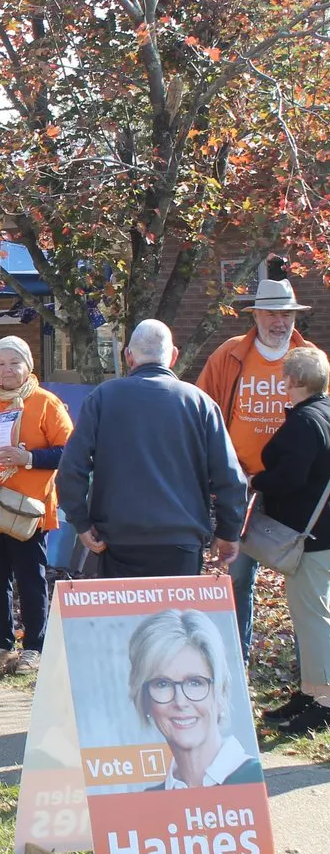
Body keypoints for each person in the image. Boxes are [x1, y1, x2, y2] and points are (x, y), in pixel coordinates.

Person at [58, 320, 246, 579]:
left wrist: (80, 521)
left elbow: (71, 467)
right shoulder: (200, 403)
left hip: (117, 538)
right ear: (173, 356)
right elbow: (230, 477)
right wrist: (228, 531)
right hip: (181, 539)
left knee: (124, 619)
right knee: (173, 619)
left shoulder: (103, 398)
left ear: (128, 356)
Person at [197, 278, 316, 660]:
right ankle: (237, 662)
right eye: (270, 313)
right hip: (242, 486)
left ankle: (312, 678)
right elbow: (204, 415)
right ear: (256, 316)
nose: (279, 322)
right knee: (236, 576)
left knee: (305, 584)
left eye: (286, 314)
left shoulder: (311, 359)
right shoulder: (229, 355)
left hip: (299, 489)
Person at [0, 336, 72, 676]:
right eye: (1, 364)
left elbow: (70, 451)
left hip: (27, 509)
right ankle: (2, 646)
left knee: (30, 578)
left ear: (29, 365)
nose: (8, 370)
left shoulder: (46, 403)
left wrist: (29, 458)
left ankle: (34, 647)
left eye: (14, 363)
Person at [249, 347, 330, 733]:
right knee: (311, 616)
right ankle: (311, 692)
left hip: (311, 538)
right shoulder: (326, 414)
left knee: (314, 619)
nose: (282, 382)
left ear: (294, 381)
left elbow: (290, 477)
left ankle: (325, 702)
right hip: (322, 535)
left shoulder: (304, 422)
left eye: (284, 377)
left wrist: (255, 481)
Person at [128, 609, 262, 790]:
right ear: (144, 700)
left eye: (195, 682)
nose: (180, 701)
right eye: (162, 684)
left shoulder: (251, 779)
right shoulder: (148, 800)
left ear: (220, 692)